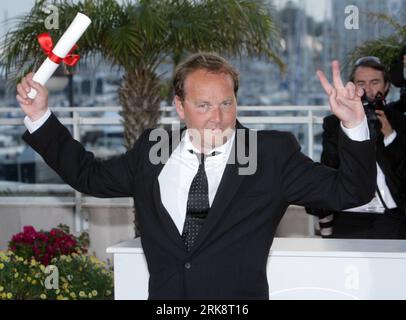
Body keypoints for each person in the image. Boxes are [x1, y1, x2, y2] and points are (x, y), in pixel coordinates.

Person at [16, 53, 376, 300]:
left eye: (226, 103)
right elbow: (90, 176)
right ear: (179, 106)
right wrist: (40, 116)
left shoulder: (270, 154)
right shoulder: (153, 150)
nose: (217, 118)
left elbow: (351, 191)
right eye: (203, 106)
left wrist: (354, 125)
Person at [307, 56, 406, 239]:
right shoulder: (334, 123)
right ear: (352, 87)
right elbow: (330, 167)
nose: (368, 89)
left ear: (386, 86)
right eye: (361, 83)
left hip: (392, 216)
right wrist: (351, 128)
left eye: (375, 82)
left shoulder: (400, 121)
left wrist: (390, 136)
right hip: (349, 215)